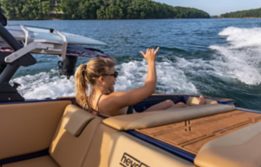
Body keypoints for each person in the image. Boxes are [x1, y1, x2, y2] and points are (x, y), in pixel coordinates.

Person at [75, 47, 206, 116]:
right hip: (141, 126)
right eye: (114, 74)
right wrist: (151, 61)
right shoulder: (111, 100)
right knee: (180, 106)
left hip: (136, 117)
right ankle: (200, 110)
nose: (116, 77)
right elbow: (149, 89)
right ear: (101, 79)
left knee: (169, 102)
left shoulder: (89, 97)